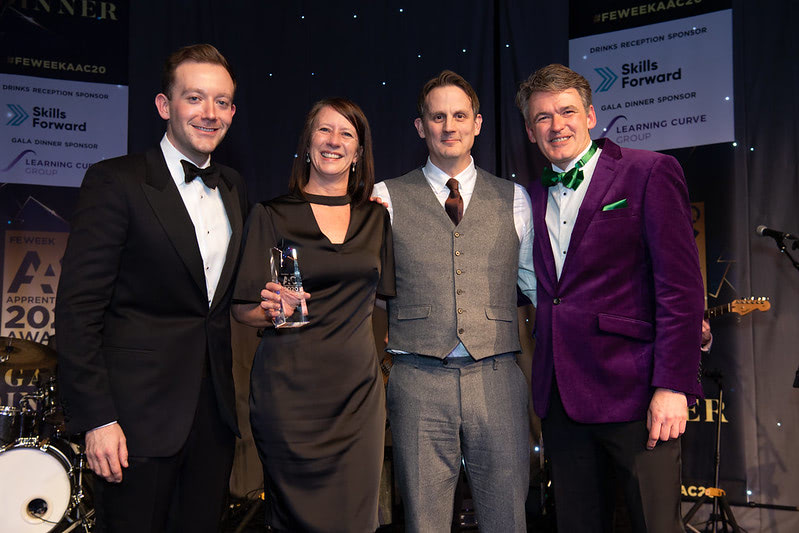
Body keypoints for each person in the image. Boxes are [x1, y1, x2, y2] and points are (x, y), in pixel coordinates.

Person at [55, 44, 247, 532]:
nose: (210, 113)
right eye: (195, 98)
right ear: (165, 106)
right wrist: (97, 419)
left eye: (222, 102)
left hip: (213, 423)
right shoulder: (115, 182)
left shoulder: (234, 188)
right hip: (131, 425)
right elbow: (78, 311)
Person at [515, 63, 704, 532]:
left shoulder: (649, 172)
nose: (557, 125)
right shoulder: (529, 198)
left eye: (567, 111)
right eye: (543, 117)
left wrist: (673, 385)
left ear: (592, 115)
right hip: (561, 398)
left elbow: (680, 289)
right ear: (529, 130)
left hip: (636, 395)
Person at [371, 70, 536, 532]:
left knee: (507, 518)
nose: (449, 126)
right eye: (437, 116)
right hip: (418, 378)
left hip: (498, 376)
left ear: (478, 123)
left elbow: (539, 286)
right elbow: (369, 290)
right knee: (424, 522)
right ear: (420, 126)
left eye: (459, 115)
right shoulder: (384, 198)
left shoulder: (515, 199)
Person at [231, 98, 394, 532]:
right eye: (324, 130)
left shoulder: (376, 219)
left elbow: (391, 302)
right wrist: (269, 310)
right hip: (289, 399)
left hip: (358, 399)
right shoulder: (271, 214)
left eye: (346, 134)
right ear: (308, 143)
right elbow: (242, 309)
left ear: (359, 152)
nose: (333, 141)